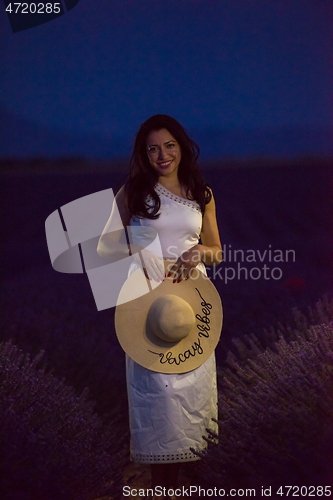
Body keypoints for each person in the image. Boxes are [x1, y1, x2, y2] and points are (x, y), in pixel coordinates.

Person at [98, 114, 222, 497]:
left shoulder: (202, 193)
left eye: (169, 145)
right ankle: (161, 490)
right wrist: (137, 246)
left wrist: (201, 250)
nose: (162, 154)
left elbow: (217, 251)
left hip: (190, 311)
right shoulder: (134, 191)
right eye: (153, 148)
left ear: (182, 147)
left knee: (194, 410)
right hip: (149, 310)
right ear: (144, 154)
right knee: (160, 404)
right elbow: (104, 245)